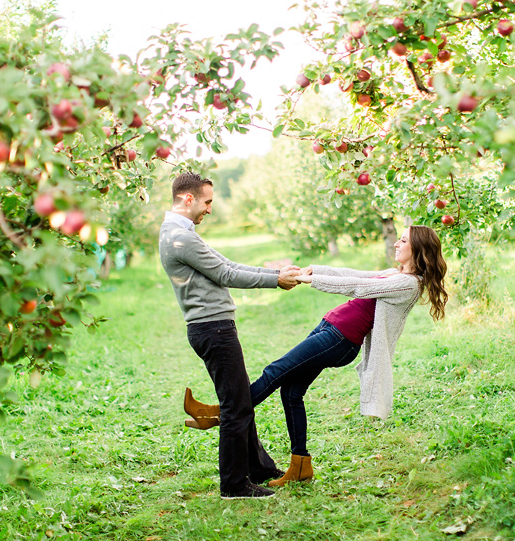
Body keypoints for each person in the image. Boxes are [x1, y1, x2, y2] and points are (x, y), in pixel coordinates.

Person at [185, 225, 448, 487]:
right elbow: (356, 274)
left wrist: (313, 281)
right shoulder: (394, 274)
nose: (396, 244)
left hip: (339, 339)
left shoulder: (408, 284)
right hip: (329, 328)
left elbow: (358, 286)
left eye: (403, 241)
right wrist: (316, 270)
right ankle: (300, 465)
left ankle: (221, 414)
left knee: (275, 371)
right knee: (290, 390)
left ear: (418, 250)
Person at [158, 171, 300, 500]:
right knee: (237, 406)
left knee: (238, 402)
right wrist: (276, 281)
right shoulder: (180, 237)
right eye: (207, 201)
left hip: (212, 326)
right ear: (188, 198)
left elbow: (226, 263)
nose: (210, 208)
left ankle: (260, 469)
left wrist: (277, 273)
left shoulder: (180, 233)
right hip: (213, 328)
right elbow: (226, 274)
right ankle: (234, 485)